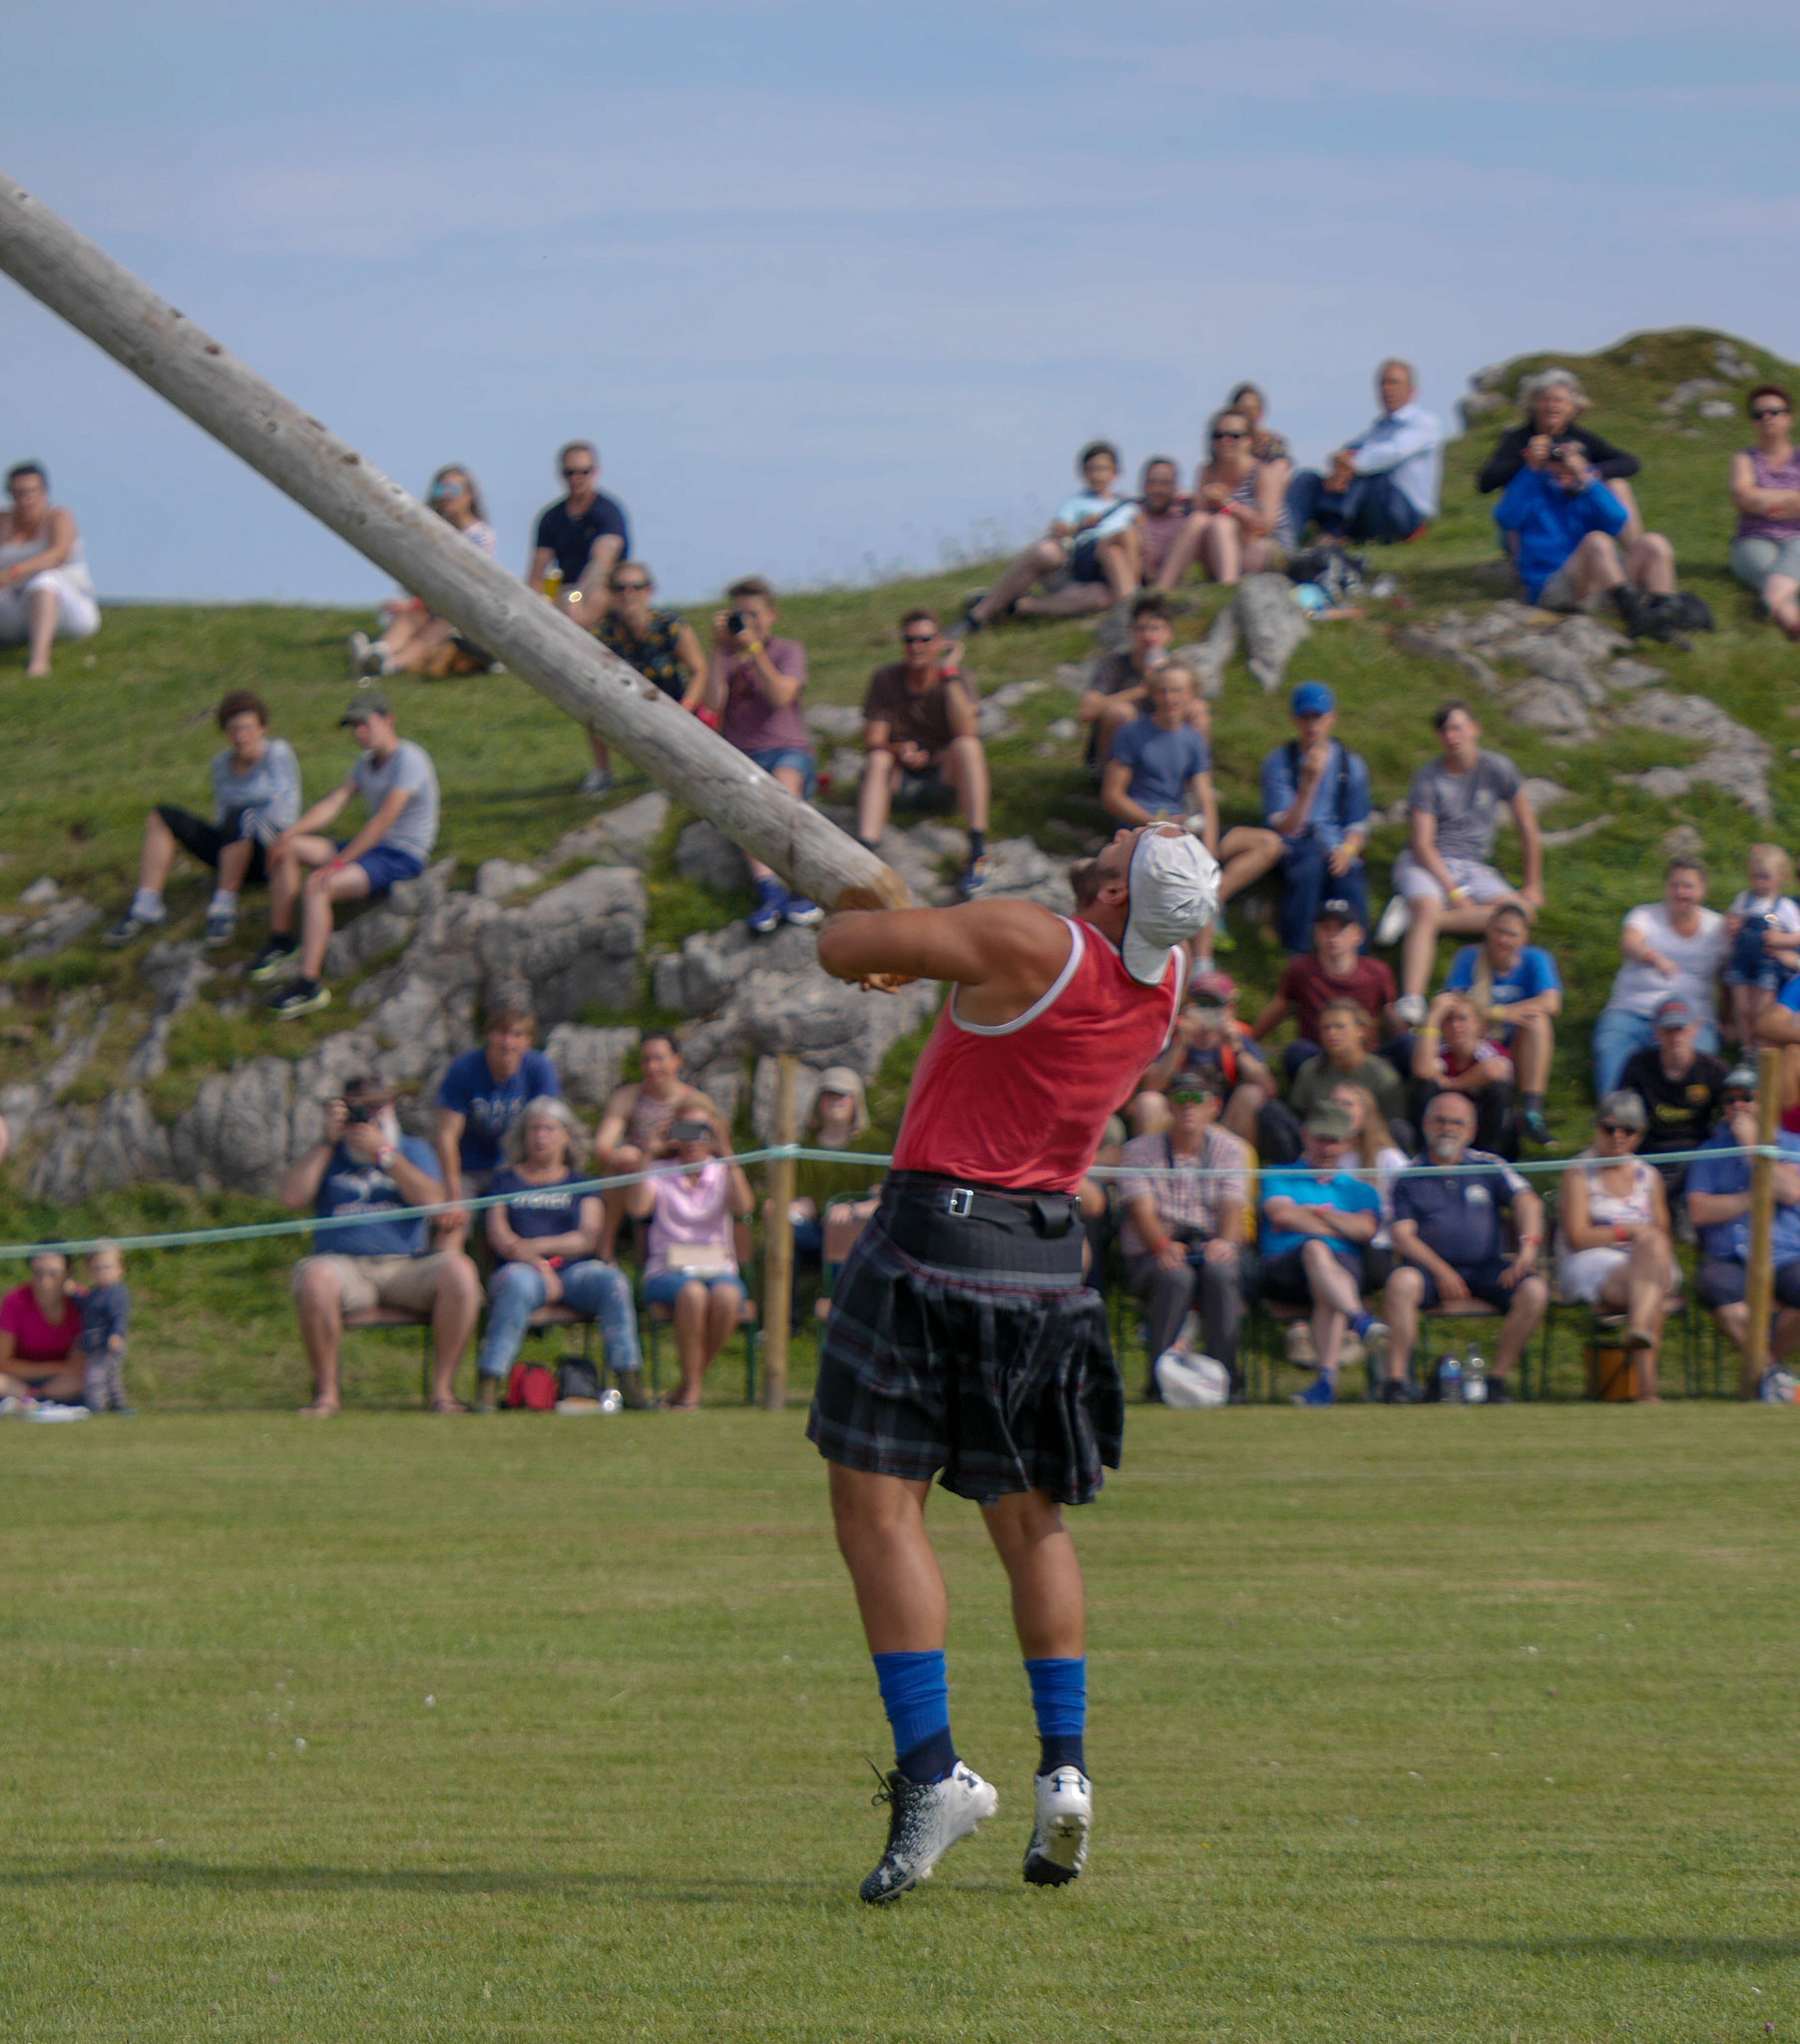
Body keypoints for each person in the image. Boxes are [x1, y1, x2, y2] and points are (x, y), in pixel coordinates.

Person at [808, 823, 1218, 1901]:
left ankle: (932, 1767)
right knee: (1031, 1517)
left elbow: (840, 947)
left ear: (1121, 890)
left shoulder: (1030, 938)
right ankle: (1064, 1773)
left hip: (933, 1240)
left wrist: (865, 924)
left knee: (878, 1506)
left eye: (1130, 838)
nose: (1117, 825)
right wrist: (925, 947)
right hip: (1046, 1261)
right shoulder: (1161, 979)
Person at [280, 1075, 480, 1416]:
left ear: (390, 1110)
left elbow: (436, 1203)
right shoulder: (329, 1153)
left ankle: (442, 1393)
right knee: (314, 1278)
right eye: (359, 1109)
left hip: (407, 1265)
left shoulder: (413, 1149)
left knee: (461, 1273)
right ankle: (326, 1396)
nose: (368, 1117)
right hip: (344, 1266)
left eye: (377, 1108)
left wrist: (385, 1155)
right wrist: (327, 1143)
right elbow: (291, 1198)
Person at [252, 697, 440, 1019]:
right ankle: (282, 938)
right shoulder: (365, 764)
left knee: (319, 885)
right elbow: (334, 803)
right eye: (354, 727)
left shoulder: (409, 759)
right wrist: (288, 835)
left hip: (400, 855)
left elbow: (383, 821)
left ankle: (309, 983)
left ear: (388, 720)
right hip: (370, 848)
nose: (360, 733)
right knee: (290, 849)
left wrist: (340, 863)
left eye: (365, 724)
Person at [472, 1097, 649, 1412]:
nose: (541, 1136)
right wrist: (535, 1264)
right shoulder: (504, 1181)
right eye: (534, 1129)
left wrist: (537, 1249)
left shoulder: (582, 1184)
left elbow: (588, 1237)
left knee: (613, 1282)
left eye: (549, 1129)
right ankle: (489, 1382)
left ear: (566, 1135)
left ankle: (629, 1380)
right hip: (520, 1270)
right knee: (516, 1285)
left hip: (573, 1272)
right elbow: (500, 1236)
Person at [1379, 1093, 1548, 1404]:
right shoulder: (1409, 1176)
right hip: (1428, 1272)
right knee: (1400, 1282)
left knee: (1535, 1290)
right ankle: (1396, 1383)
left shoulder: (1489, 1165)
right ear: (1426, 1125)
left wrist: (1527, 1250)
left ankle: (1496, 1382)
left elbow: (1527, 1201)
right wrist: (1441, 1271)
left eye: (1458, 1122)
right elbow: (1402, 1235)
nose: (1448, 1128)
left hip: (1486, 1269)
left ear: (1471, 1131)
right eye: (1440, 1120)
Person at [105, 689, 302, 948]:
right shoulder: (222, 764)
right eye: (233, 730)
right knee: (163, 816)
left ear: (262, 729)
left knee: (242, 816)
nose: (241, 736)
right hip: (232, 844)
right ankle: (146, 903)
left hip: (270, 853)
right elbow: (220, 815)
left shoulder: (277, 754)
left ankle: (223, 908)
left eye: (247, 728)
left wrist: (244, 815)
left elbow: (284, 815)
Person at [1384, 703, 1543, 1015]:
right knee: (1429, 907)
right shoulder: (1428, 778)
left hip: (1474, 865)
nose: (1452, 736)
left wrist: (1533, 883)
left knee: (1522, 914)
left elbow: (1526, 824)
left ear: (1475, 728)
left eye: (1458, 727)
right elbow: (1422, 843)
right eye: (1444, 731)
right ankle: (1412, 999)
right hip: (1428, 861)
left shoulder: (1498, 768)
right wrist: (1453, 892)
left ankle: (1419, 921)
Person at [1119, 1077, 1249, 1395]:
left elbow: (1232, 1203)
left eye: (1197, 1097)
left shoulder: (1230, 1149)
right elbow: (1141, 1210)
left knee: (1222, 1273)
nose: (1188, 1105)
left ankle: (1226, 1379)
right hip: (1154, 1249)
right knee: (1175, 1277)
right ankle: (1159, 1382)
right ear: (1168, 1106)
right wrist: (1162, 1245)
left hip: (1210, 1243)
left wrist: (1227, 1242)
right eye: (1179, 1098)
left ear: (1214, 1106)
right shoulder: (1139, 1151)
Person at [705, 577, 821, 933]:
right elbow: (712, 705)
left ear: (772, 615)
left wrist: (755, 652)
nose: (747, 623)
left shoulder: (788, 650)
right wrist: (716, 651)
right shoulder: (725, 656)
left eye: (754, 615)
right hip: (742, 757)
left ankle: (801, 884)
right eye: (740, 615)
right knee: (750, 803)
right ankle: (769, 890)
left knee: (784, 791)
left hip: (787, 750)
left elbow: (780, 696)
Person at [1256, 1101, 1384, 1406]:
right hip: (1285, 1269)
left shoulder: (1360, 1189)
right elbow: (1282, 1216)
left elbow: (1366, 1229)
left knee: (1323, 1272)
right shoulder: (1278, 1175)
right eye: (1321, 1138)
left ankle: (1326, 1383)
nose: (1328, 1147)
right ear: (1305, 1136)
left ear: (1348, 1142)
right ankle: (1359, 1319)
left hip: (1341, 1270)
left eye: (1335, 1140)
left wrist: (1316, 1215)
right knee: (1316, 1251)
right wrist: (1341, 1223)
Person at [856, 610, 991, 897]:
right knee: (878, 759)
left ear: (940, 642)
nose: (917, 647)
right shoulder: (885, 679)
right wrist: (898, 750)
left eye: (925, 639)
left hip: (945, 779)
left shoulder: (958, 678)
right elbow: (873, 739)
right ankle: (865, 853)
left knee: (968, 746)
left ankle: (977, 850)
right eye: (909, 640)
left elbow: (968, 728)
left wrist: (950, 674)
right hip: (899, 781)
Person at [625, 1117, 755, 1410]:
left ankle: (686, 1386)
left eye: (702, 1132)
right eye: (686, 1132)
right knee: (693, 1294)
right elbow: (636, 1208)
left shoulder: (722, 1172)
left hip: (717, 1267)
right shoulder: (660, 1172)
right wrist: (648, 1152)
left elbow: (745, 1206)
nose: (694, 1140)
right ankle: (693, 1392)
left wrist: (727, 1151)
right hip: (667, 1269)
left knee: (728, 1296)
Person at [1556, 1094, 1678, 1402]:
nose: (1618, 1136)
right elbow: (1577, 1237)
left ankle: (1637, 1330)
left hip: (1645, 1261)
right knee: (1653, 1291)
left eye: (1628, 1129)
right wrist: (1629, 1231)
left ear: (1640, 1134)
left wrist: (1644, 1239)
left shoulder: (1648, 1176)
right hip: (1593, 1261)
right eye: (1609, 1128)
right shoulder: (1579, 1171)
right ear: (1596, 1128)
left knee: (1652, 1255)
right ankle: (1648, 1389)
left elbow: (1662, 1234)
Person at [1686, 1069, 1800, 1397]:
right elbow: (1700, 1210)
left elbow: (1792, 1191)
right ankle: (1772, 1375)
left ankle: (1766, 1374)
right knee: (1716, 1288)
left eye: (1747, 1098)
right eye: (1731, 1099)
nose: (1739, 1106)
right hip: (1729, 1257)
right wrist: (1755, 1197)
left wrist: (1753, 1146)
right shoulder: (1710, 1151)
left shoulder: (1792, 1145)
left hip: (1785, 1255)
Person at [528, 440, 632, 793]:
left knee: (590, 596)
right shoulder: (552, 518)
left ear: (595, 472)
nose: (577, 478)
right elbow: (538, 571)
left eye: (584, 471)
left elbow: (602, 564)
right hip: (567, 593)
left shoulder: (607, 512)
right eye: (571, 472)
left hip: (601, 593)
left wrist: (572, 597)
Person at [1493, 436, 1674, 627]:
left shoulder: (1587, 492)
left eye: (1570, 460)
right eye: (1556, 462)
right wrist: (1531, 470)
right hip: (1553, 585)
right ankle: (1633, 614)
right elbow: (1506, 518)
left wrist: (1586, 479)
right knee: (1596, 541)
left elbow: (1617, 518)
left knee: (1654, 543)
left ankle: (1665, 615)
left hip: (1600, 583)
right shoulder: (1533, 490)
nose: (1563, 467)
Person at [957, 442, 1138, 632]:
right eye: (1092, 469)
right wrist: (1081, 525)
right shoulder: (1077, 502)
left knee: (1102, 596)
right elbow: (1058, 529)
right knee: (1120, 538)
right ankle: (1130, 605)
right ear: (1084, 473)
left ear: (1115, 473)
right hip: (1088, 554)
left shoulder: (1126, 505)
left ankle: (1017, 606)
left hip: (1113, 566)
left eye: (1103, 469)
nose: (1098, 475)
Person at [1590, 858, 1725, 1098]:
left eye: (1689, 886)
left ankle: (1676, 1118)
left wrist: (1731, 1018)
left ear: (1703, 890)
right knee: (1609, 1047)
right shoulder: (1644, 915)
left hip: (1690, 1015)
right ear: (1665, 887)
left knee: (1699, 1053)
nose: (1681, 892)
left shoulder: (1717, 927)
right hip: (1634, 1009)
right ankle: (1616, 1116)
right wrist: (1652, 957)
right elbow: (1629, 942)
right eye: (1675, 885)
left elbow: (1729, 974)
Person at [434, 992, 561, 1246]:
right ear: (489, 1035)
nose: (508, 1043)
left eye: (517, 1035)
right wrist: (453, 1193)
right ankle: (442, 1276)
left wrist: (543, 1175)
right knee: (452, 1229)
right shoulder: (464, 1069)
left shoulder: (539, 1069)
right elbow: (447, 1135)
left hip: (516, 1164)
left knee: (529, 1225)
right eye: (501, 1033)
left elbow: (549, 1126)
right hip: (467, 1168)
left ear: (528, 1040)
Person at [350, 464, 498, 679]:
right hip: (432, 606)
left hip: (461, 612)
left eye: (453, 490)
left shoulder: (480, 536)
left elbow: (465, 585)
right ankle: (378, 652)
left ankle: (388, 665)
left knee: (438, 624)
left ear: (469, 496)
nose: (446, 497)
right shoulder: (431, 532)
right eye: (440, 490)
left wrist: (417, 603)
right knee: (413, 616)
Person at [1258, 681, 1372, 950]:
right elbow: (1284, 826)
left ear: (1331, 718)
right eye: (1304, 717)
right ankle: (1297, 951)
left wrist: (1347, 851)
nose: (1312, 726)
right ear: (1294, 720)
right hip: (1295, 844)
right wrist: (1308, 784)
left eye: (1318, 717)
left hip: (1336, 845)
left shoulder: (1351, 764)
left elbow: (1358, 824)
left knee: (1351, 883)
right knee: (1308, 869)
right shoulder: (1279, 762)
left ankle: (1359, 959)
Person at [591, 1034, 727, 1258]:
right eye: (646, 1060)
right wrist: (617, 1155)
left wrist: (675, 1144)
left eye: (659, 1059)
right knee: (618, 1171)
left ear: (677, 1060)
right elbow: (601, 1146)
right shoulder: (628, 1097)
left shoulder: (697, 1101)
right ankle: (606, 1243)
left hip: (681, 1168)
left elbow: (715, 1143)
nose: (652, 1067)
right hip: (643, 1168)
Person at [1442, 903, 1561, 1147]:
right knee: (1465, 1021)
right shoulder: (1469, 958)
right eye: (1498, 931)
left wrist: (1498, 1013)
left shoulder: (1536, 958)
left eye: (1512, 934)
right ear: (1488, 931)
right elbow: (1456, 1004)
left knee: (1538, 1021)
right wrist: (1502, 1013)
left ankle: (1531, 1109)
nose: (1504, 939)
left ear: (1525, 937)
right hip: (1478, 1043)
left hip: (1516, 1046)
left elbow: (1551, 1002)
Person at [1285, 360, 1441, 547]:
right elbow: (1351, 449)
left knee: (1372, 473)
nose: (1387, 389)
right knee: (1307, 479)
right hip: (1370, 511)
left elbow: (1394, 452)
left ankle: (1333, 531)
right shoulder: (1378, 428)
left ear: (1411, 390)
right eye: (1383, 383)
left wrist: (1352, 464)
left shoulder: (1424, 423)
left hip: (1405, 515)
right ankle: (1286, 539)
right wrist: (1339, 461)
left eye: (1394, 382)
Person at [1477, 367, 1644, 540]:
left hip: (1575, 511)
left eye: (1559, 400)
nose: (1552, 406)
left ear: (1573, 407)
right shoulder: (1517, 439)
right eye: (1545, 400)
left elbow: (1631, 463)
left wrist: (1584, 470)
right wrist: (1529, 462)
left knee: (1618, 485)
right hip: (1533, 517)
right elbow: (1485, 482)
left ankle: (1636, 552)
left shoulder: (1581, 438)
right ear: (1533, 404)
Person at [1250, 895, 1396, 1083]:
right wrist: (1249, 1041)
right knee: (1296, 1052)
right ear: (1316, 933)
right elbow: (1280, 1006)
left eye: (1342, 928)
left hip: (1363, 1056)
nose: (1333, 936)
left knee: (1407, 1047)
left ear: (1358, 935)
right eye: (1326, 928)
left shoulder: (1378, 972)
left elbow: (1391, 1015)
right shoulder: (1301, 969)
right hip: (1318, 1056)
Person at [1135, 972, 1276, 1149]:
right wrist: (1180, 1045)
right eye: (1202, 1004)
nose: (1207, 1011)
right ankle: (1153, 1167)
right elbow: (1151, 1086)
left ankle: (1237, 1168)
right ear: (1189, 1007)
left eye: (1215, 1005)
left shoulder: (1239, 1038)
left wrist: (1236, 1049)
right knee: (1148, 1101)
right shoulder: (1172, 1036)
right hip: (1177, 1120)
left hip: (1223, 1125)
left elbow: (1269, 1088)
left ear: (1230, 1010)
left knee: (1251, 1093)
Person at [1078, 592, 1205, 771]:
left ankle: (1192, 778)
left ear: (1169, 634)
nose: (1148, 636)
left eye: (1155, 628)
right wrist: (1141, 690)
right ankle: (1109, 779)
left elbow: (1194, 706)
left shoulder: (1179, 668)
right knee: (1120, 713)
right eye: (1141, 629)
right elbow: (1086, 712)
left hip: (1162, 748)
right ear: (1131, 633)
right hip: (1117, 755)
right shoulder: (1114, 665)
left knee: (1197, 709)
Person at [1158, 408, 1285, 589]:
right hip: (1219, 548)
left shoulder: (1263, 472)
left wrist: (1228, 504)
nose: (1225, 441)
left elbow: (1266, 526)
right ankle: (1162, 588)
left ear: (1249, 440)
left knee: (1222, 522)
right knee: (1198, 519)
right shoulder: (1207, 471)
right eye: (1218, 435)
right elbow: (1197, 521)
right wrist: (1206, 501)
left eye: (1234, 436)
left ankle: (1227, 587)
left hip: (1260, 550)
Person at [1619, 997, 1728, 1197]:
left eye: (1681, 1028)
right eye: (1669, 1029)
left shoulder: (1714, 1071)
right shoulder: (1638, 1066)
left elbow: (1729, 1113)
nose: (1676, 1036)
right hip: (1648, 1153)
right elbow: (1622, 1115)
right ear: (1656, 1031)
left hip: (1698, 1154)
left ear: (1695, 1029)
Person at [0, 461, 99, 678]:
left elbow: (58, 554)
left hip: (67, 610)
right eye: (18, 493)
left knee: (44, 581)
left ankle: (39, 662)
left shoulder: (59, 517)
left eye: (31, 492)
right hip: (17, 609)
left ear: (43, 492)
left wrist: (14, 572)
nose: (26, 500)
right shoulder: (3, 522)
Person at [1728, 383, 1800, 642]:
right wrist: (1791, 501)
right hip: (1753, 538)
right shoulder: (1744, 459)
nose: (1767, 418)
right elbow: (1743, 497)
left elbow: (1753, 498)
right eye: (1759, 414)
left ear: (1789, 417)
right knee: (1773, 571)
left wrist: (1765, 503)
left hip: (1798, 538)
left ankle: (1773, 607)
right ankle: (1792, 619)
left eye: (1774, 411)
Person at [1283, 999, 1409, 1147]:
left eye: (1340, 1027)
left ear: (1360, 1031)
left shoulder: (1382, 1073)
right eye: (1325, 1028)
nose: (1332, 1033)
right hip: (1322, 1144)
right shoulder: (1310, 1070)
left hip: (1369, 1146)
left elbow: (1393, 1118)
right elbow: (1300, 1116)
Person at [1411, 991, 1517, 1160]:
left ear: (1478, 1024)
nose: (1455, 1025)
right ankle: (1425, 1156)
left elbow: (1495, 1070)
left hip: (1484, 1131)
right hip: (1446, 1128)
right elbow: (1423, 1070)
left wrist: (1452, 1084)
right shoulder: (1442, 1053)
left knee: (1499, 1090)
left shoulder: (1488, 1049)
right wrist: (1432, 1017)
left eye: (1462, 1019)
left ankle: (1491, 1161)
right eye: (1448, 1019)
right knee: (1424, 1087)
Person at [593, 562, 707, 711]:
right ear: (611, 594)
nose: (628, 594)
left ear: (649, 590)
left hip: (672, 710)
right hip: (624, 713)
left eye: (636, 587)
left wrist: (686, 707)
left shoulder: (669, 626)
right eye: (620, 589)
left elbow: (699, 669)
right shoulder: (602, 633)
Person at [1722, 843, 1800, 1045]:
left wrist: (1782, 942)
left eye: (1766, 877)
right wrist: (1733, 924)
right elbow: (1731, 918)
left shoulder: (1785, 906)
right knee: (1743, 1007)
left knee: (1761, 1010)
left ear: (1780, 877)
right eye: (1756, 876)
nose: (1761, 882)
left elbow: (1797, 934)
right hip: (1743, 961)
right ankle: (1746, 1051)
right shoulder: (1745, 899)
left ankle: (1759, 1052)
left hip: (1769, 964)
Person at [0, 1249, 86, 1412]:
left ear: (68, 1274)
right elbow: (3, 1362)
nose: (45, 1282)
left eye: (53, 1274)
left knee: (89, 1377)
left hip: (62, 1382)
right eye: (38, 1273)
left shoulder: (81, 1301)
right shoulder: (14, 1301)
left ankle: (36, 1400)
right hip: (18, 1379)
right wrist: (53, 1367)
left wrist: (58, 1373)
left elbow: (77, 1364)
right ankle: (35, 1398)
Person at [78, 1242, 133, 1414]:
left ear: (120, 1269)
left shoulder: (116, 1294)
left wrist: (117, 1334)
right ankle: (117, 1406)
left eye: (108, 1267)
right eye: (97, 1268)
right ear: (89, 1271)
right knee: (109, 1376)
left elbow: (119, 1317)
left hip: (108, 1344)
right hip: (96, 1344)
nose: (103, 1272)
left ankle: (96, 1407)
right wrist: (73, 1295)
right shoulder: (95, 1293)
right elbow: (86, 1306)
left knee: (97, 1376)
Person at [1125, 456, 1195, 592]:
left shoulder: (1186, 518)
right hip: (1134, 584)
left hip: (1176, 585)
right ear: (1143, 486)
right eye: (1152, 483)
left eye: (1165, 484)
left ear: (1176, 487)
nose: (1158, 489)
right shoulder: (1129, 513)